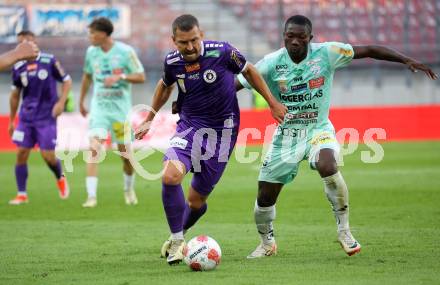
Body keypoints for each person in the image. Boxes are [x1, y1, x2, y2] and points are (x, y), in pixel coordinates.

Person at [236, 15, 438, 258]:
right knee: (264, 197)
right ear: (284, 37)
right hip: (286, 136)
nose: (296, 42)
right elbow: (236, 84)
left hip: (318, 130)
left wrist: (406, 60)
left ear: (310, 38)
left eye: (301, 37)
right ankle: (267, 244)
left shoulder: (327, 53)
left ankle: (344, 231)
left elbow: (370, 50)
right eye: (290, 36)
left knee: (327, 164)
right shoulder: (271, 63)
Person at [135, 14, 286, 265]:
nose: (191, 47)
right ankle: (176, 241)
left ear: (201, 34)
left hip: (223, 134)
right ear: (174, 40)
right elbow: (166, 85)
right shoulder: (172, 61)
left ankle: (180, 232)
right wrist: (150, 116)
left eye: (194, 40)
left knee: (196, 202)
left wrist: (272, 103)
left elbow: (249, 71)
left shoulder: (223, 52)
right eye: (183, 42)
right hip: (190, 127)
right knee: (170, 176)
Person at [80, 17, 145, 208]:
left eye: (92, 33)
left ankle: (128, 189)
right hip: (99, 109)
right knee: (94, 149)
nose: (90, 37)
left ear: (103, 34)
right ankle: (91, 197)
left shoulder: (125, 52)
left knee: (125, 155)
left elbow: (141, 76)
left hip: (119, 112)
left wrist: (121, 76)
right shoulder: (91, 52)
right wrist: (82, 101)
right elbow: (87, 75)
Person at [8, 31, 72, 205]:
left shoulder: (49, 60)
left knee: (48, 156)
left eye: (28, 41)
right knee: (21, 153)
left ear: (34, 42)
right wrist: (12, 120)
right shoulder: (17, 66)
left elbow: (67, 80)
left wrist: (61, 102)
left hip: (46, 116)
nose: (25, 45)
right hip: (26, 117)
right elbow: (15, 95)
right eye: (21, 43)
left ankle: (60, 177)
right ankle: (22, 194)